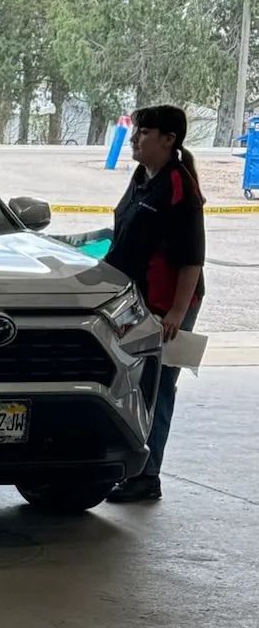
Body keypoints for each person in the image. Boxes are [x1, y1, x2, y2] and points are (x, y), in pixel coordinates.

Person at [104, 104, 206, 505]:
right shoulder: (142, 178)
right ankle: (127, 463)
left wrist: (176, 315)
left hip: (167, 306)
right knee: (129, 383)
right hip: (135, 299)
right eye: (136, 131)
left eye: (144, 132)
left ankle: (148, 476)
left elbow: (192, 260)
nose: (135, 139)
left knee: (157, 388)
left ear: (168, 140)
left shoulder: (180, 188)